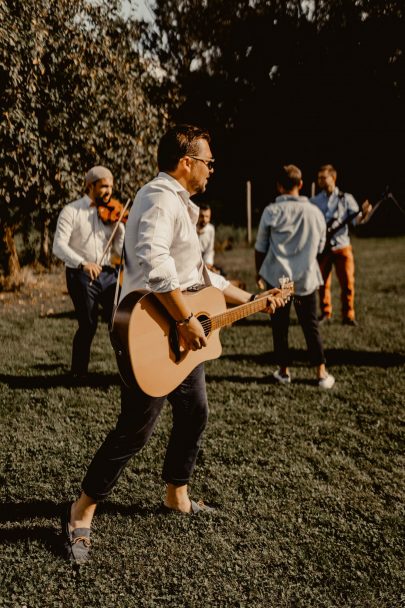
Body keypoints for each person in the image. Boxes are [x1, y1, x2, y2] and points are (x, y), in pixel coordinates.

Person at [61, 124, 284, 564]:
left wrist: (255, 300)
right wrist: (184, 319)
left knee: (195, 411)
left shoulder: (179, 203)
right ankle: (79, 513)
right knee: (135, 428)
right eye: (209, 162)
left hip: (179, 331)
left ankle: (176, 495)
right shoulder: (162, 198)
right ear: (187, 162)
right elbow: (155, 262)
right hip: (150, 330)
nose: (212, 170)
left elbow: (201, 278)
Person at [255, 164, 335, 389]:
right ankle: (321, 372)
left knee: (279, 327)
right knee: (310, 325)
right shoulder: (315, 213)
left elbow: (260, 247)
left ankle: (283, 371)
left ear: (279, 186)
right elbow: (320, 246)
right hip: (305, 278)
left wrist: (259, 272)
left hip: (278, 278)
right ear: (301, 185)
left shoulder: (271, 211)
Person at [52, 166, 125, 378]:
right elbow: (58, 246)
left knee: (121, 321)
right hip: (80, 274)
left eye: (110, 186)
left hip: (107, 274)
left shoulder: (112, 213)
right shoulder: (71, 211)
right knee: (88, 325)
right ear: (90, 186)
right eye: (103, 186)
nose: (108, 191)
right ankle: (78, 373)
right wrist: (83, 263)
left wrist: (120, 232)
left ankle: (126, 373)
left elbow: (119, 251)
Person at [311, 164, 372, 326]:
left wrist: (364, 214)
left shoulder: (346, 198)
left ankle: (348, 315)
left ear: (333, 178)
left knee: (348, 283)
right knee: (322, 283)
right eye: (318, 178)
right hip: (323, 247)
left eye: (323, 178)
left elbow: (356, 221)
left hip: (342, 246)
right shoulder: (315, 201)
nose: (320, 181)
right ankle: (325, 313)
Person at [197, 203, 216, 269]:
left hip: (205, 261)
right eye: (202, 216)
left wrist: (207, 263)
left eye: (207, 216)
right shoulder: (192, 226)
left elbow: (210, 250)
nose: (204, 219)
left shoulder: (211, 229)